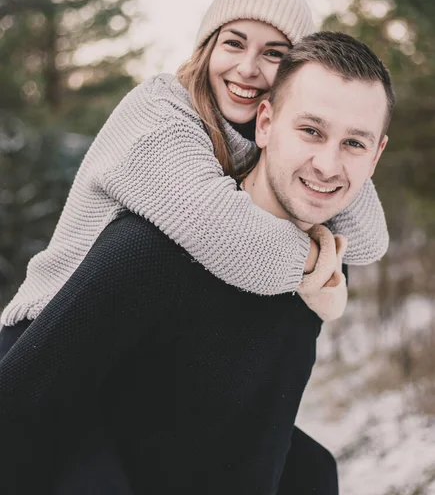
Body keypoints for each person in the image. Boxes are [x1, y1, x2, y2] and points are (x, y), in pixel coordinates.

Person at [0, 32, 395, 495]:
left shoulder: (319, 274)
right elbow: (17, 415)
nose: (328, 164)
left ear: (377, 155)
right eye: (311, 130)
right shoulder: (150, 252)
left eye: (354, 144)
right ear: (264, 123)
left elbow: (254, 442)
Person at [0, 0, 389, 332]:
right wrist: (319, 262)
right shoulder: (159, 110)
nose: (248, 68)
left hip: (128, 344)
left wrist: (332, 131)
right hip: (46, 332)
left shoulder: (269, 136)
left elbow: (368, 240)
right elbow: (229, 234)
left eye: (273, 53)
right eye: (234, 43)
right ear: (208, 48)